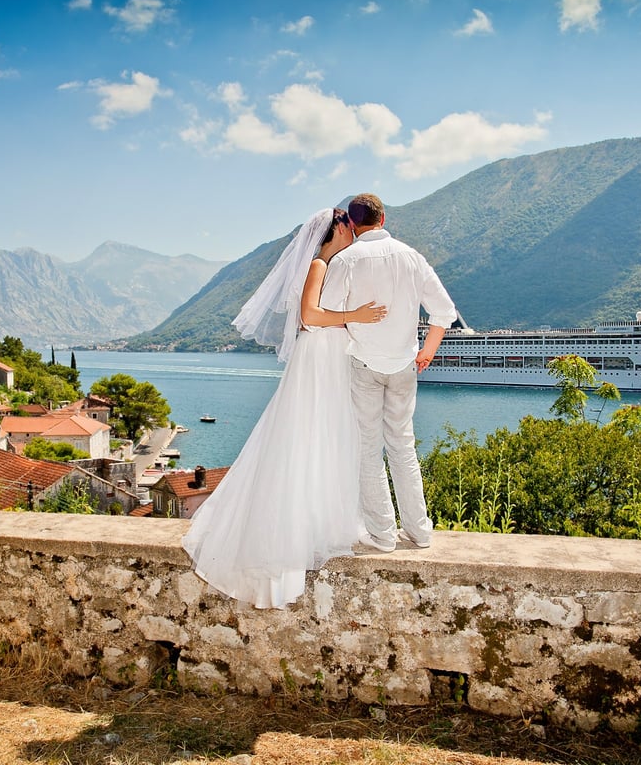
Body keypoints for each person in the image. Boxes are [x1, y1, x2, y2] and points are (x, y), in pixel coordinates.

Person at [182, 208, 386, 609]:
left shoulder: (337, 265)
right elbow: (310, 317)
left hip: (332, 356)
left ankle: (323, 525)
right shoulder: (318, 264)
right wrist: (355, 317)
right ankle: (291, 535)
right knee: (306, 434)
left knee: (330, 437)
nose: (354, 231)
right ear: (339, 228)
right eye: (349, 225)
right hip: (317, 358)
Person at [320, 193, 457, 553]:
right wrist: (427, 351)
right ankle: (420, 531)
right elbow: (444, 312)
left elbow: (328, 313)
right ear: (383, 219)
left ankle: (382, 534)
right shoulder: (412, 257)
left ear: (352, 224)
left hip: (364, 364)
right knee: (403, 447)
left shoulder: (346, 261)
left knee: (368, 449)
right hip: (404, 366)